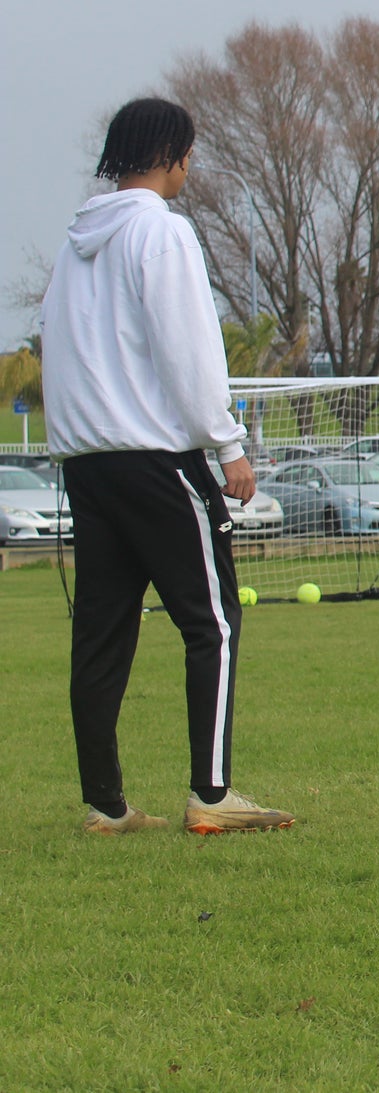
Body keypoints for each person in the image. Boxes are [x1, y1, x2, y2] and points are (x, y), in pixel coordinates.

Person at [42, 97, 294, 834]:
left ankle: (106, 805)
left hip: (88, 464)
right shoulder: (162, 232)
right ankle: (211, 796)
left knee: (101, 632)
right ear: (173, 154)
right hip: (157, 460)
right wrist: (227, 444)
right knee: (210, 621)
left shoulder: (73, 244)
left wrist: (72, 443)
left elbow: (56, 346)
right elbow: (189, 348)